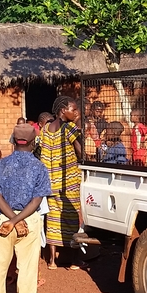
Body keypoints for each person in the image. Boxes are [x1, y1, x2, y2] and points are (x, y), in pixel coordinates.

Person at [0, 123, 51, 293]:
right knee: (27, 269)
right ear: (34, 142)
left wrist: (10, 220)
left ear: (13, 141)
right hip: (28, 220)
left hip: (3, 220)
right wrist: (18, 220)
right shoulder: (39, 167)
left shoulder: (0, 165)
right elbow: (36, 201)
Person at [39, 96, 85, 270]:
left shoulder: (45, 130)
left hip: (51, 183)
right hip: (69, 183)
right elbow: (80, 153)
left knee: (53, 221)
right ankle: (74, 260)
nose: (76, 113)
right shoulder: (70, 128)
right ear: (62, 110)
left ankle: (52, 261)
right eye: (73, 110)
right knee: (72, 219)